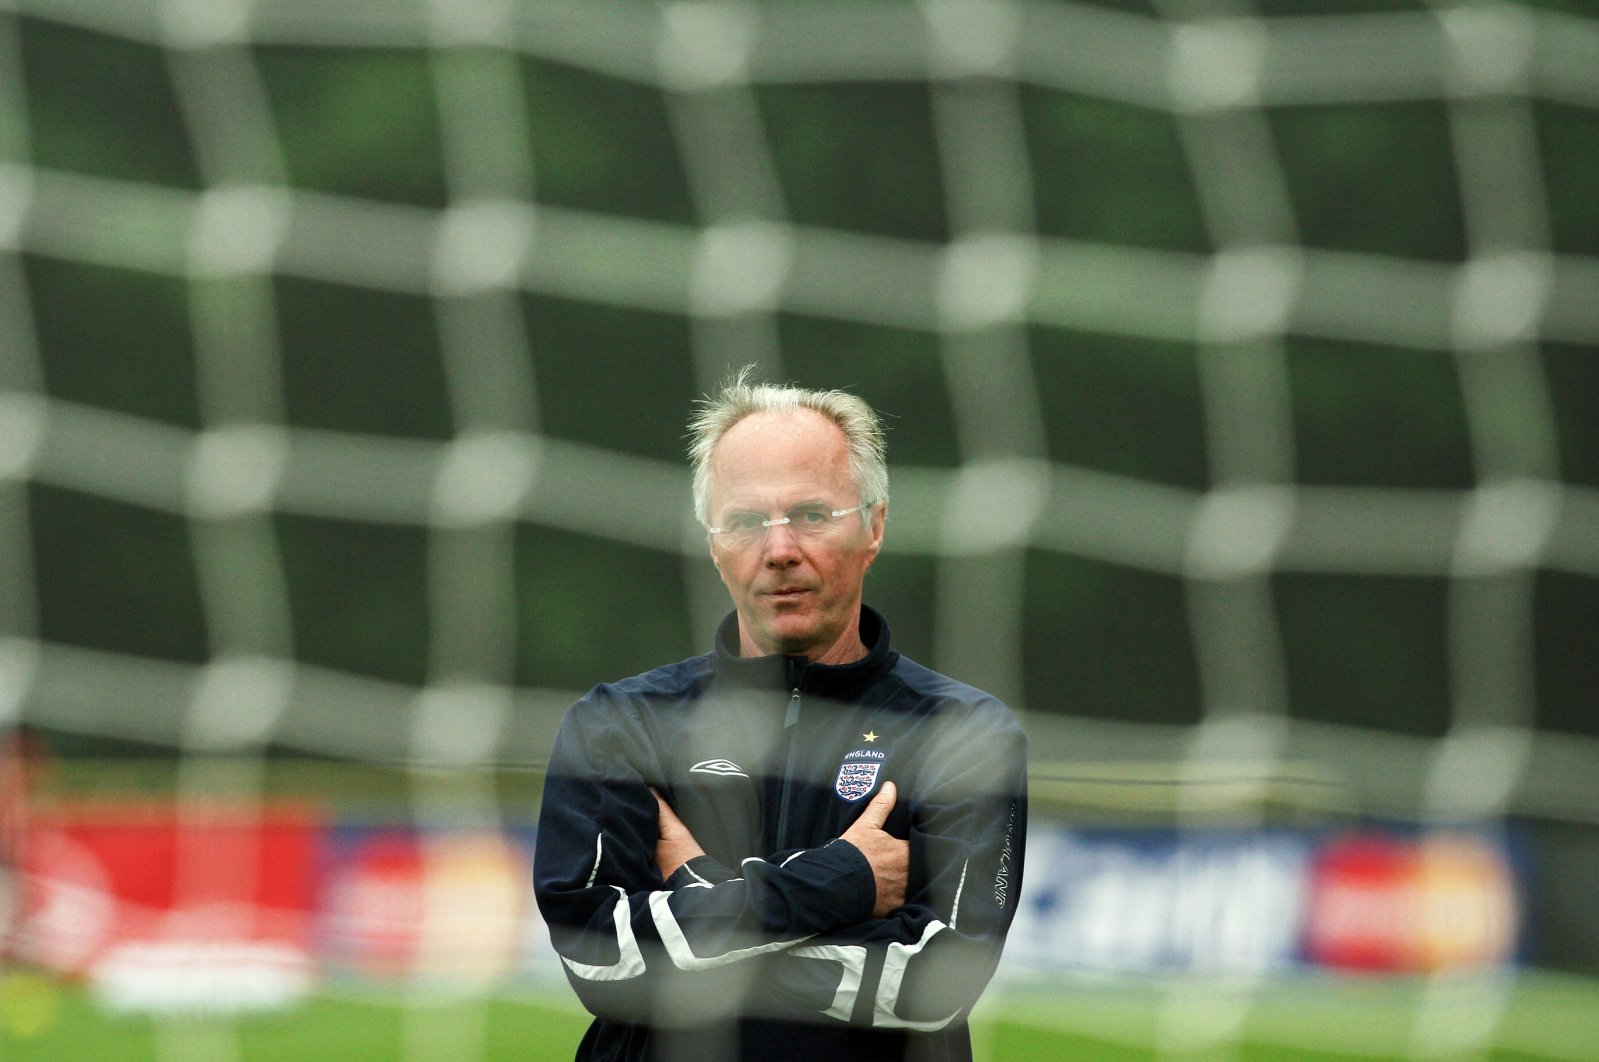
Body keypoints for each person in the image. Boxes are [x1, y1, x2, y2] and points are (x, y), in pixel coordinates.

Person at [534, 368, 1027, 1062]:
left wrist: (700, 896)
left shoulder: (964, 735)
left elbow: (933, 985)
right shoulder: (620, 725)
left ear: (874, 526)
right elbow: (603, 966)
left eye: (811, 514)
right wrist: (841, 879)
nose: (779, 550)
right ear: (712, 542)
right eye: (743, 521)